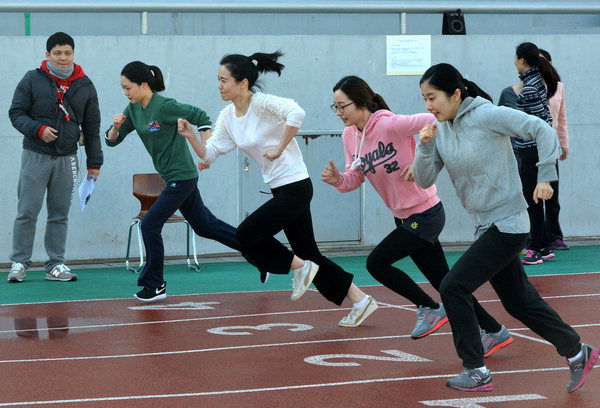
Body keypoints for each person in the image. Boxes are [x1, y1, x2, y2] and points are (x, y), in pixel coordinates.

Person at [413, 62, 598, 393]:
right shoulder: (439, 130)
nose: (428, 106)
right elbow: (425, 179)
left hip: (510, 223)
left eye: (433, 97)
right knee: (518, 302)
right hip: (485, 226)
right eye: (424, 99)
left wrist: (546, 176)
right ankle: (576, 351)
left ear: (455, 94)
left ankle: (476, 370)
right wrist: (424, 144)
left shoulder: (487, 116)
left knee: (453, 286)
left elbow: (541, 129)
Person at [178, 51, 378, 327]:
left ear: (243, 83)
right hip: (279, 188)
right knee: (309, 252)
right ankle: (360, 299)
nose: (219, 85)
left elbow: (297, 113)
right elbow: (210, 153)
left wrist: (281, 146)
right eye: (218, 80)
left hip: (296, 185)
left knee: (248, 233)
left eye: (224, 80)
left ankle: (299, 267)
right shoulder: (227, 116)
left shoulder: (261, 104)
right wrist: (191, 138)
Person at [321, 75, 511, 350]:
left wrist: (424, 160)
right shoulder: (350, 135)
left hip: (426, 214)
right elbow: (355, 176)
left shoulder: (390, 124)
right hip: (403, 217)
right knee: (447, 283)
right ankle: (494, 330)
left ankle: (428, 307)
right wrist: (338, 179)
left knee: (376, 263)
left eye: (343, 106)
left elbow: (436, 120)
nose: (339, 113)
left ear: (361, 102)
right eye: (334, 107)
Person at [105, 61, 255, 302]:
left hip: (182, 177)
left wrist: (206, 145)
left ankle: (154, 284)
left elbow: (200, 115)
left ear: (144, 85)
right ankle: (257, 251)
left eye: (128, 88)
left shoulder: (164, 106)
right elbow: (112, 140)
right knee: (205, 225)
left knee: (149, 225)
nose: (125, 92)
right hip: (173, 178)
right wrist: (115, 127)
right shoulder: (133, 109)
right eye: (123, 88)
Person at [7, 32, 103, 283]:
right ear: (47, 54)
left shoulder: (85, 84)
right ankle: (19, 262)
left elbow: (92, 127)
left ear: (74, 54)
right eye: (57, 53)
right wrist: (38, 130)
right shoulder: (32, 79)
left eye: (68, 52)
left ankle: (56, 264)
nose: (63, 58)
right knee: (27, 211)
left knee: (59, 214)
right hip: (35, 155)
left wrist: (95, 162)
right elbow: (16, 113)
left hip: (67, 158)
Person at [514, 42, 560, 265]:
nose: (514, 62)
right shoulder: (534, 82)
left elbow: (535, 125)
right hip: (533, 149)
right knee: (535, 200)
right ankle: (542, 245)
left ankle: (536, 247)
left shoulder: (530, 88)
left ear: (522, 60)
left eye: (515, 58)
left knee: (532, 201)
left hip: (532, 150)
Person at [539, 48, 570, 251]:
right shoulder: (526, 87)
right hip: (530, 147)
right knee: (531, 197)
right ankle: (534, 238)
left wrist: (564, 144)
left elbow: (562, 119)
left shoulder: (558, 87)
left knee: (552, 195)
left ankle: (554, 236)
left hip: (551, 148)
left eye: (543, 61)